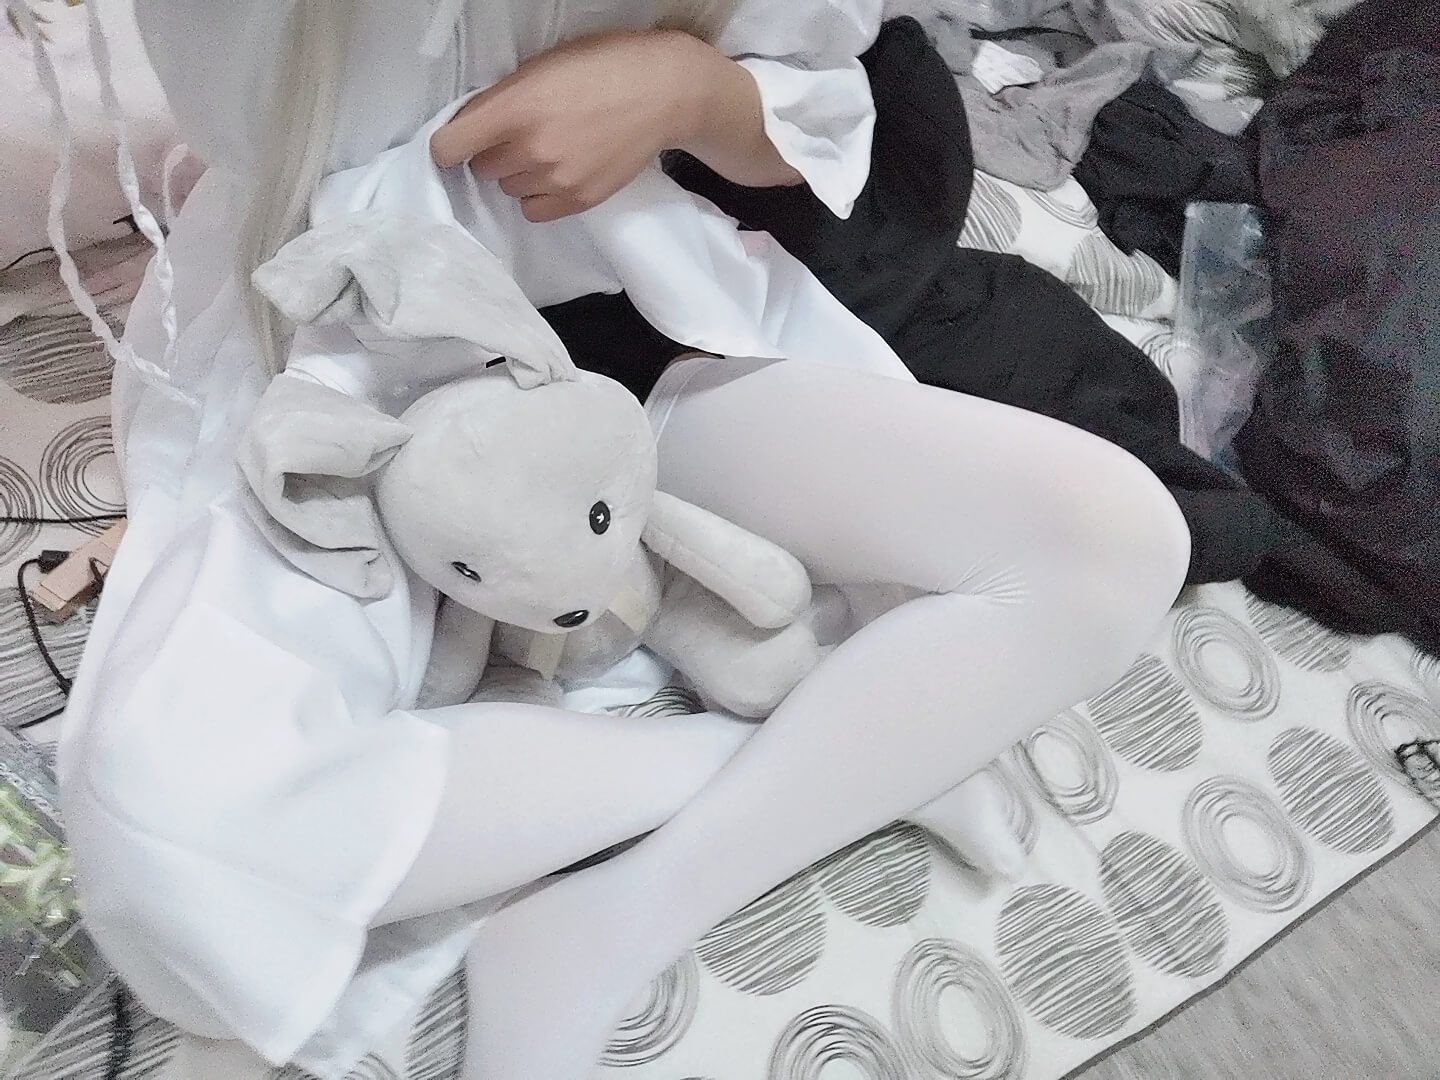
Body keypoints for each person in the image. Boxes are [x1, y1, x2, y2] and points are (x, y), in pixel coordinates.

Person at [59, 1, 1191, 1078]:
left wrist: (688, 92)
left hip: (648, 341)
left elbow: (823, 111)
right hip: (352, 355)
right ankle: (817, 755)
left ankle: (614, 924)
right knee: (174, 841)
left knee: (1118, 539)